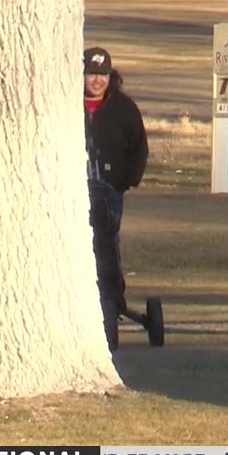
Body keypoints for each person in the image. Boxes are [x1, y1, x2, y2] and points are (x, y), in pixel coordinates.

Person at [83, 46, 149, 339]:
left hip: (109, 188)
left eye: (103, 75)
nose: (97, 81)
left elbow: (139, 147)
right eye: (91, 74)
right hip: (72, 189)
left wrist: (127, 179)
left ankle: (111, 299)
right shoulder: (64, 103)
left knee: (106, 242)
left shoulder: (123, 108)